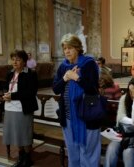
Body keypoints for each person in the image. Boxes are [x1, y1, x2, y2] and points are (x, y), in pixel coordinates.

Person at [52, 33, 100, 167]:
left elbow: (93, 90)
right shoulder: (63, 66)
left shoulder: (88, 64)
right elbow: (55, 89)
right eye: (65, 48)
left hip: (87, 116)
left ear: (78, 48)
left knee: (87, 153)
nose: (67, 51)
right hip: (68, 117)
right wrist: (65, 78)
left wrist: (77, 78)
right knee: (73, 152)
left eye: (70, 48)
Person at [2, 50, 38, 167]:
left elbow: (31, 92)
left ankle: (28, 159)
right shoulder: (9, 73)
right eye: (13, 59)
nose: (15, 62)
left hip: (23, 108)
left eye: (18, 59)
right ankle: (21, 156)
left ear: (24, 61)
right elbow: (5, 87)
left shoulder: (30, 74)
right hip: (10, 108)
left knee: (25, 134)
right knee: (16, 134)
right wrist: (5, 94)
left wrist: (12, 96)